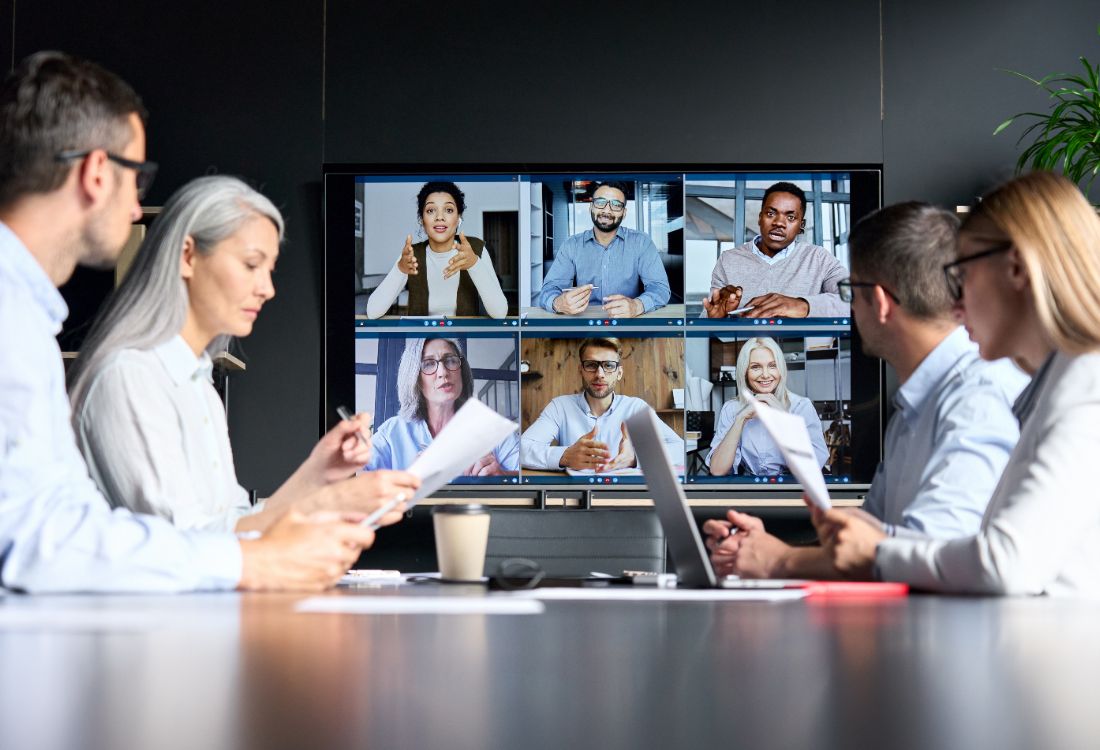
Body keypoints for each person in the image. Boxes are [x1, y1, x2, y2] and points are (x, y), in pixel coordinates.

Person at [0, 51, 394, 593]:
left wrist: (315, 481)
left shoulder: (36, 321)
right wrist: (278, 542)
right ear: (96, 172)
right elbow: (48, 538)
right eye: (136, 180)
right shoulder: (72, 348)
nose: (139, 209)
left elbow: (87, 524)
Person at [67, 176, 420, 533]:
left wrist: (319, 473)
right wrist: (328, 503)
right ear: (187, 256)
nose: (267, 289)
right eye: (252, 265)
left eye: (270, 270)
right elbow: (184, 545)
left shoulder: (199, 385)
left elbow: (234, 524)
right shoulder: (130, 376)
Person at [704, 202, 1028, 579]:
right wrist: (760, 549)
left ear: (879, 302)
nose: (849, 306)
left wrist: (778, 561)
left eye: (850, 290)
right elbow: (875, 540)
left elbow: (935, 558)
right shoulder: (917, 405)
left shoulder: (976, 399)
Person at [811, 173, 1100, 596]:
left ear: (1016, 267)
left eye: (962, 273)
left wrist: (876, 551)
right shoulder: (1057, 386)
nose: (955, 302)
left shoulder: (1085, 387)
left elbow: (1005, 562)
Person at [522, 337, 683, 470]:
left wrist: (634, 458)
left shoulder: (636, 408)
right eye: (591, 365)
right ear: (581, 370)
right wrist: (565, 456)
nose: (600, 374)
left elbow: (680, 449)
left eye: (608, 366)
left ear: (619, 373)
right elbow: (521, 449)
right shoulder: (560, 407)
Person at [366, 337, 519, 475]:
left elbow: (527, 477)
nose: (443, 372)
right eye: (428, 364)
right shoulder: (392, 432)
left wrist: (502, 476)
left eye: (450, 360)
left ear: (462, 371)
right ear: (415, 378)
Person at [703, 182, 848, 318]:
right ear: (760, 218)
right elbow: (708, 314)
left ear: (801, 226)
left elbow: (855, 299)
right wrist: (716, 319)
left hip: (797, 345)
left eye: (790, 217)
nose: (779, 223)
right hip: (744, 345)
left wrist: (802, 305)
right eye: (771, 214)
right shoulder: (728, 259)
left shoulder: (819, 258)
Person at [366, 181, 508, 319]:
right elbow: (372, 312)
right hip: (422, 341)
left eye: (449, 210)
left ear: (458, 217)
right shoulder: (411, 255)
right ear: (422, 219)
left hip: (466, 340)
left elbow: (500, 313)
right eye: (431, 210)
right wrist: (400, 270)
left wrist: (474, 264)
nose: (440, 217)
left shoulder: (476, 249)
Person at [538, 181, 671, 318]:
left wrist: (637, 306)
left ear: (624, 213)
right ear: (591, 207)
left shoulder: (642, 242)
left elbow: (660, 288)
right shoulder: (571, 245)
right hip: (584, 325)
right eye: (601, 202)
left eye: (616, 205)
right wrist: (558, 303)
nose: (607, 210)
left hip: (628, 324)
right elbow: (548, 290)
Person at [706, 336, 830, 477]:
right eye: (755, 367)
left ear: (781, 369)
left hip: (793, 488)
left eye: (772, 365)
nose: (765, 375)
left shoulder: (802, 407)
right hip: (751, 489)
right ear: (745, 372)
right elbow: (717, 470)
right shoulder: (731, 409)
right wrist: (740, 419)